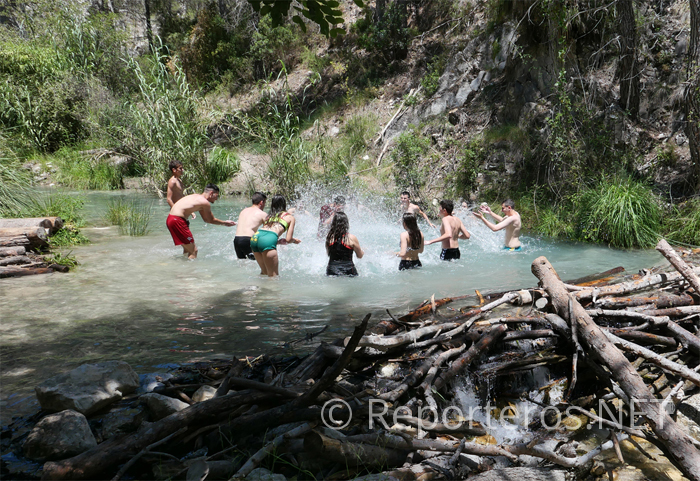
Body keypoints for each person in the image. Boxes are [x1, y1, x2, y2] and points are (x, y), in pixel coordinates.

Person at [166, 184, 235, 259]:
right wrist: (225, 223)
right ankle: (189, 270)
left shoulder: (196, 197)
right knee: (194, 251)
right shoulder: (205, 203)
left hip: (171, 219)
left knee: (187, 249)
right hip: (177, 220)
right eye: (217, 195)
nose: (216, 199)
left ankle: (183, 265)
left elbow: (206, 219)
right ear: (211, 193)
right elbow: (210, 220)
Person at [250, 195, 301, 277]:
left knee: (264, 272)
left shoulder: (268, 216)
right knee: (273, 276)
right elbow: (288, 239)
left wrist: (276, 242)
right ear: (284, 204)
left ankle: (257, 289)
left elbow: (265, 234)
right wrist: (295, 241)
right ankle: (270, 290)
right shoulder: (290, 217)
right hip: (268, 239)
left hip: (255, 237)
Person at [325, 212, 364, 276]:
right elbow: (360, 256)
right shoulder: (351, 238)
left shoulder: (329, 238)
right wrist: (363, 251)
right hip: (348, 271)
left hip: (331, 270)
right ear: (346, 223)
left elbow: (328, 253)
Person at [234, 192, 268, 260]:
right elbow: (267, 232)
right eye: (265, 203)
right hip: (248, 240)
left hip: (237, 240)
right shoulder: (263, 214)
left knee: (243, 264)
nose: (264, 205)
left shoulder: (243, 211)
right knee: (259, 263)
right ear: (261, 202)